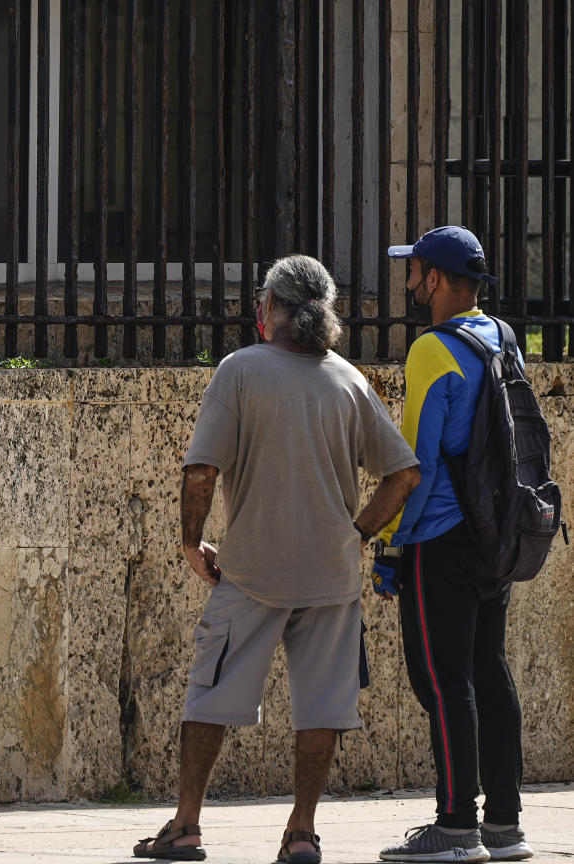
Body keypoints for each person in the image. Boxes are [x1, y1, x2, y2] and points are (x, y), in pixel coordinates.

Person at [133, 255, 421, 863]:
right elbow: (403, 474)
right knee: (322, 705)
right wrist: (357, 535)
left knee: (208, 695)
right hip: (331, 575)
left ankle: (186, 825)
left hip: (252, 570)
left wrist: (192, 541)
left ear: (270, 308)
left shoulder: (240, 370)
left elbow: (201, 468)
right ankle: (301, 832)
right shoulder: (348, 379)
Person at [375, 227, 533, 863]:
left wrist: (389, 542)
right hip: (496, 534)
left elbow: (416, 465)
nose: (410, 281)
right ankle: (504, 823)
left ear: (435, 280)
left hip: (438, 536)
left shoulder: (430, 352)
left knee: (443, 678)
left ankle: (454, 824)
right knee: (489, 670)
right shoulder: (504, 337)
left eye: (414, 270)